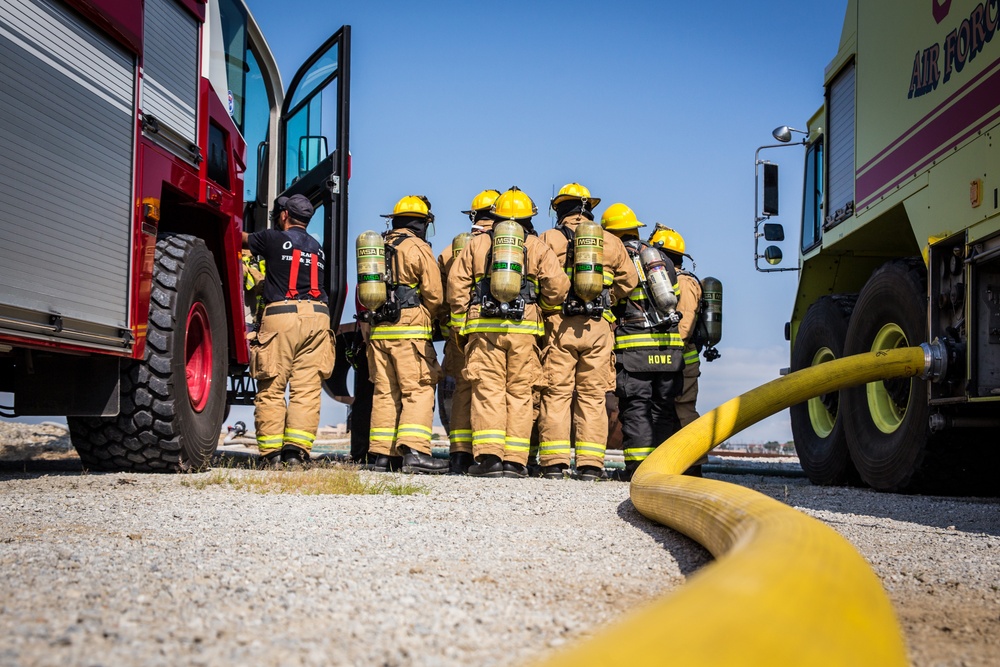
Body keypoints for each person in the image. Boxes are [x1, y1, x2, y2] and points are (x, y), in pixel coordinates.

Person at [447, 187, 570, 478]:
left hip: (483, 328)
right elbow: (558, 289)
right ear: (529, 217)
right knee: (520, 392)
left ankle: (489, 460)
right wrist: (539, 302)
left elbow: (456, 286)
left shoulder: (477, 245)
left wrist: (460, 324)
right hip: (523, 330)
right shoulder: (537, 246)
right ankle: (515, 461)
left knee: (487, 389)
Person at [537, 184, 637, 481]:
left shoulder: (549, 239)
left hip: (559, 325)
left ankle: (554, 463)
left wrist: (549, 305)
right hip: (598, 327)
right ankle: (590, 465)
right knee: (593, 396)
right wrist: (608, 299)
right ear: (588, 209)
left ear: (559, 211)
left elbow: (538, 280)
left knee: (556, 394)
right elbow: (629, 281)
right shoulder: (609, 241)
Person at [242, 194, 335, 467]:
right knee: (306, 390)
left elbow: (241, 238)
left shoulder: (272, 238)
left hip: (282, 316)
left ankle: (271, 455)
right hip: (319, 318)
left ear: (284, 216)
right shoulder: (317, 248)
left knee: (272, 385)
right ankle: (296, 454)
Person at [364, 195, 448, 474]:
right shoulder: (417, 247)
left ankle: (381, 456)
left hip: (378, 331)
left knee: (385, 392)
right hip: (410, 330)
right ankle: (415, 451)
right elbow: (434, 294)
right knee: (418, 388)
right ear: (422, 223)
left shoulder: (377, 247)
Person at [602, 204, 686, 481]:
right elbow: (674, 298)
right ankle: (664, 469)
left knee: (637, 407)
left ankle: (639, 471)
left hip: (635, 350)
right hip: (669, 351)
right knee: (663, 410)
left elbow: (610, 301)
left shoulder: (617, 258)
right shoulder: (661, 261)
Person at [438, 189, 501, 474]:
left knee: (463, 389)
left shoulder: (453, 250)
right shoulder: (521, 243)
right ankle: (506, 456)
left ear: (475, 216)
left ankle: (460, 455)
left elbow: (441, 292)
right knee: (506, 390)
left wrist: (455, 324)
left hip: (464, 329)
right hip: (508, 330)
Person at [649, 224, 706, 476]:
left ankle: (693, 464)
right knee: (668, 410)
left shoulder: (683, 281)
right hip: (672, 358)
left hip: (683, 358)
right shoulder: (671, 279)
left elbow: (684, 325)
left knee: (683, 408)